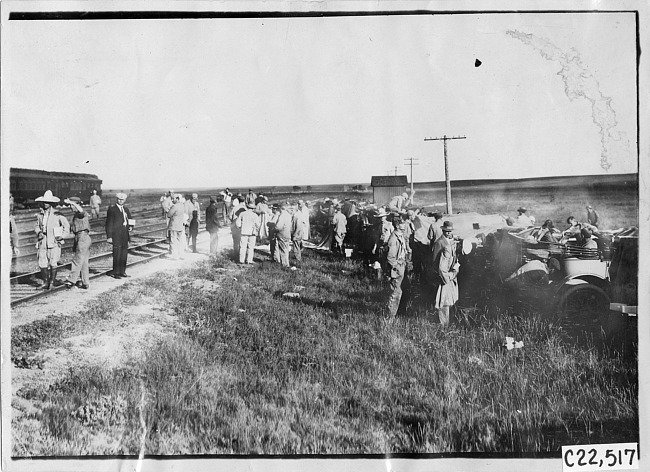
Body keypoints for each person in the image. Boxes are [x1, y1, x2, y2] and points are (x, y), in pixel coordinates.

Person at [34, 190, 70, 289]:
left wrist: (62, 236)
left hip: (53, 241)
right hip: (43, 240)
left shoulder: (58, 214)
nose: (45, 204)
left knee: (53, 261)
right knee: (42, 261)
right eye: (44, 202)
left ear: (51, 203)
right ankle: (45, 282)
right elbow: (36, 226)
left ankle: (52, 282)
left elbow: (66, 227)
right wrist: (39, 232)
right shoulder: (40, 215)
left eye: (48, 202)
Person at [431, 221, 459, 327]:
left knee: (450, 299)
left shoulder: (450, 241)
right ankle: (442, 323)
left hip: (450, 274)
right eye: (447, 231)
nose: (449, 233)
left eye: (450, 231)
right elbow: (434, 260)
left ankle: (448, 321)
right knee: (442, 300)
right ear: (443, 231)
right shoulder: (439, 242)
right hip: (442, 275)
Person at [64, 198, 92, 289]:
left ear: (76, 205)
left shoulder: (81, 213)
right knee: (83, 262)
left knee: (77, 259)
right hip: (80, 237)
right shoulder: (76, 215)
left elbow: (81, 210)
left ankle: (71, 280)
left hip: (82, 237)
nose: (71, 207)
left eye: (72, 205)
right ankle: (85, 282)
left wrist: (72, 202)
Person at [105, 192, 134, 278]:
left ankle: (122, 271)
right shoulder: (112, 210)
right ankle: (116, 272)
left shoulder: (126, 209)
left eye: (122, 200)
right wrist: (109, 236)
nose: (120, 201)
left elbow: (130, 219)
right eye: (119, 199)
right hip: (116, 235)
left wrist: (131, 227)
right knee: (117, 253)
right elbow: (109, 223)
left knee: (124, 253)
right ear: (116, 199)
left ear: (125, 200)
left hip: (125, 234)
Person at [385, 213, 408, 317]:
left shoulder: (400, 235)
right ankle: (390, 316)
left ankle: (396, 312)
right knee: (395, 292)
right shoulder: (393, 238)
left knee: (399, 291)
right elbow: (390, 257)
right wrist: (396, 268)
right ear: (398, 225)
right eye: (402, 224)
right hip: (397, 267)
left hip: (401, 265)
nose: (404, 225)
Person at [166, 193, 186, 260]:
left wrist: (168, 210)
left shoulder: (174, 206)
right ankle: (181, 255)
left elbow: (169, 215)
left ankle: (175, 256)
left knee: (173, 241)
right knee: (180, 241)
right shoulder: (182, 206)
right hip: (180, 226)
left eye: (173, 199)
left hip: (174, 226)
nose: (172, 200)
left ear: (177, 199)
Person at [274, 202, 292, 267]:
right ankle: (287, 263)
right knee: (286, 250)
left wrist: (274, 229)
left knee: (282, 250)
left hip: (282, 234)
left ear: (282, 208)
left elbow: (279, 227)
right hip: (287, 234)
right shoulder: (288, 215)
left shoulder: (282, 215)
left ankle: (284, 265)